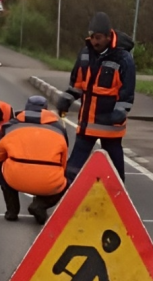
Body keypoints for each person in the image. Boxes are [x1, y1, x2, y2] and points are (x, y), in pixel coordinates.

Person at [56, 12, 136, 183]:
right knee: (71, 171)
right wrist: (67, 98)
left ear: (109, 36)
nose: (95, 42)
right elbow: (77, 85)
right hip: (87, 125)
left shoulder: (123, 58)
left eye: (98, 37)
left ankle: (118, 203)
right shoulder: (85, 54)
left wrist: (120, 112)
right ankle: (45, 204)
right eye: (92, 37)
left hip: (111, 129)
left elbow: (127, 91)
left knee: (114, 177)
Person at [0, 95, 69, 224]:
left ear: (26, 108)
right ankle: (41, 204)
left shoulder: (10, 126)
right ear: (46, 110)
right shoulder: (59, 129)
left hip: (15, 178)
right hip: (48, 181)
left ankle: (12, 211)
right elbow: (63, 160)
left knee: (1, 165)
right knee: (68, 178)